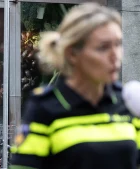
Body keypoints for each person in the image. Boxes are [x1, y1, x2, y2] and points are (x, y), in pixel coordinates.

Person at [10, 2, 140, 169]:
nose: (116, 56)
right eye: (103, 47)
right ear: (72, 53)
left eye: (118, 44)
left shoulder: (128, 102)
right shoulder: (44, 108)